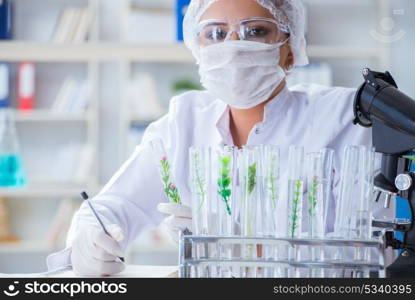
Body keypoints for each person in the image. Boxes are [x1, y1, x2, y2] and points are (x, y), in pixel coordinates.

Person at [46, 0, 387, 276]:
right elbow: (114, 206)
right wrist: (88, 239)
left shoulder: (345, 119)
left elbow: (377, 249)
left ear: (291, 49)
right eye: (215, 33)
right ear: (198, 50)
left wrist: (253, 250)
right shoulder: (182, 124)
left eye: (255, 31)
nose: (233, 46)